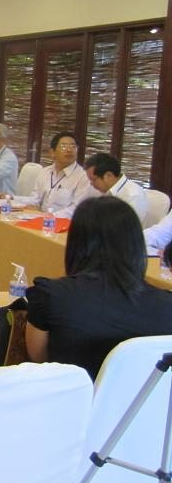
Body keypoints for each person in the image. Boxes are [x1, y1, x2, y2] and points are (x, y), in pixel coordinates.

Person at [25, 196, 172, 379]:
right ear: (136, 244)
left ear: (76, 242)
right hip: (139, 398)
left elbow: (39, 358)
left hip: (68, 395)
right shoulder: (167, 305)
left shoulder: (50, 295)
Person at [28, 131, 96, 218]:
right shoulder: (45, 172)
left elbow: (76, 209)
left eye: (73, 147)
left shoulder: (83, 177)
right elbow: (35, 199)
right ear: (52, 152)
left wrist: (49, 216)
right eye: (64, 146)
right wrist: (14, 200)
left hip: (64, 223)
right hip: (42, 219)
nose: (69, 150)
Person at [84, 153, 148, 226]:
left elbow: (124, 228)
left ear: (109, 175)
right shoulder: (106, 190)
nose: (91, 184)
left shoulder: (133, 196)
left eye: (93, 179)